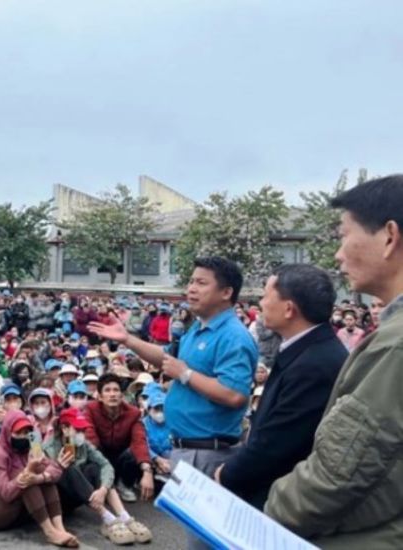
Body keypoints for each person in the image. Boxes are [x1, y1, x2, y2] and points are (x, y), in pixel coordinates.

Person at [264, 176, 403, 547]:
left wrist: (271, 510)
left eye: (344, 235)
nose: (338, 255)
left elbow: (337, 476)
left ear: (389, 237)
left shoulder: (395, 346)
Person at [89, 256, 256, 477]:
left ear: (226, 292)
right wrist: (127, 340)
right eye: (191, 281)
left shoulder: (233, 336)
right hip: (185, 449)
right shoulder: (197, 328)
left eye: (201, 283)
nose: (191, 289)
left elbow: (235, 394)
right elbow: (166, 358)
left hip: (207, 454)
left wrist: (185, 374)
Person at [214, 264, 347, 509]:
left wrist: (228, 474)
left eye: (266, 296)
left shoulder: (315, 365)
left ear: (289, 309)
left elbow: (278, 444)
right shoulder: (306, 349)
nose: (261, 303)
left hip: (281, 499)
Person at [45, 407, 152, 546]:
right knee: (69, 469)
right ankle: (108, 519)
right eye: (78, 430)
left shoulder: (84, 444)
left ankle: (124, 516)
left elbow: (106, 465)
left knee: (96, 468)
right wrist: (58, 465)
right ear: (64, 429)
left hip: (82, 493)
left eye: (83, 430)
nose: (81, 434)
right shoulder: (49, 447)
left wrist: (103, 489)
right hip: (60, 499)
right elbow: (49, 478)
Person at [0, 409, 79, 548]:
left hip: (18, 504)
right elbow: (6, 493)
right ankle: (49, 532)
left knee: (40, 473)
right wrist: (29, 471)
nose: (23, 436)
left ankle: (59, 528)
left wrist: (44, 475)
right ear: (7, 432)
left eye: (26, 432)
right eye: (18, 433)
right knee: (25, 476)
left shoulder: (32, 442)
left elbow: (52, 470)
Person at [82, 373, 154, 504]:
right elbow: (90, 436)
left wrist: (147, 471)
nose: (112, 394)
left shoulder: (133, 413)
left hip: (121, 457)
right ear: (100, 396)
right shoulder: (90, 409)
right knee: (89, 452)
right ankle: (104, 486)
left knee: (133, 453)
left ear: (122, 395)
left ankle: (124, 484)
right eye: (107, 390)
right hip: (100, 454)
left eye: (116, 390)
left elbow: (139, 441)